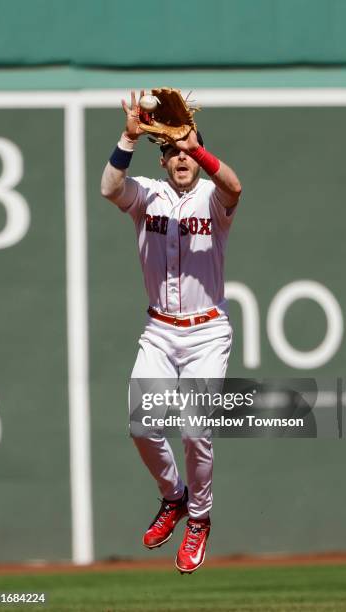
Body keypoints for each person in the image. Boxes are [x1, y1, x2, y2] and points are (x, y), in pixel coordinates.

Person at [100, 90, 242, 574]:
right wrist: (129, 135)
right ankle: (173, 496)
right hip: (159, 330)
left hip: (207, 331)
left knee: (195, 428)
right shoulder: (147, 193)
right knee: (141, 425)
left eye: (189, 152)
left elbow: (235, 185)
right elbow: (107, 187)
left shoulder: (212, 197)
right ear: (162, 161)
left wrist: (193, 141)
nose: (182, 159)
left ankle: (199, 519)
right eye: (174, 153)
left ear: (198, 159)